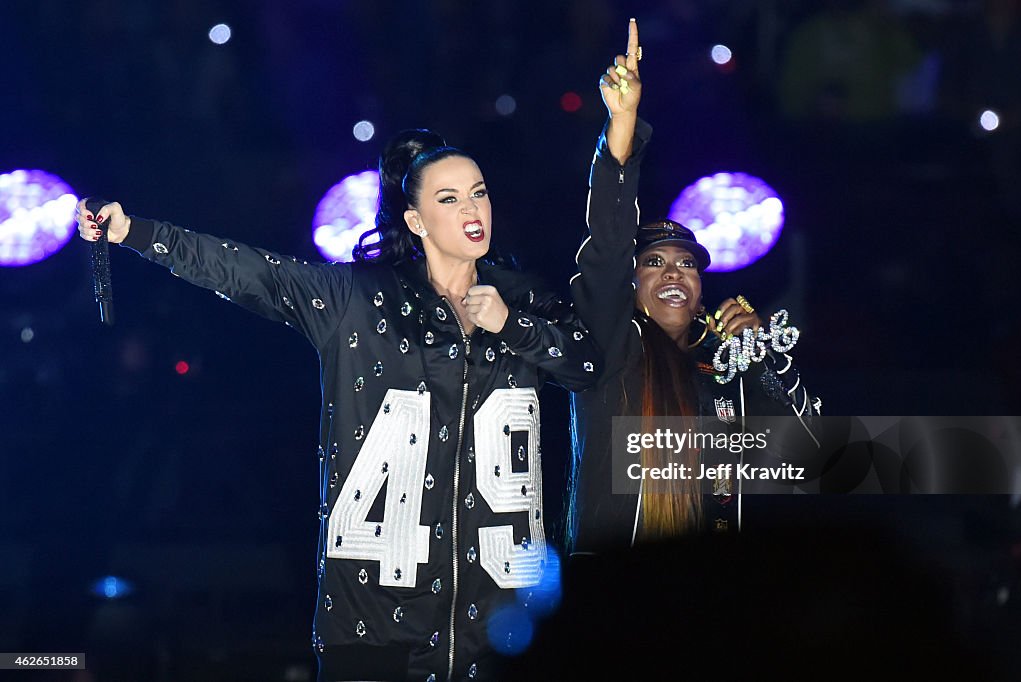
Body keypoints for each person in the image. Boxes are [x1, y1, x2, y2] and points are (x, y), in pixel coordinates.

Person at [77, 129, 600, 681]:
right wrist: (134, 231)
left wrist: (510, 325)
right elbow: (250, 271)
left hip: (503, 627)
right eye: (449, 199)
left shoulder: (522, 301)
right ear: (416, 221)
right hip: (374, 624)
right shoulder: (353, 299)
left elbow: (590, 366)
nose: (472, 209)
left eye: (479, 192)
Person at [565, 19, 821, 553]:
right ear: (630, 285)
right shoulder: (609, 349)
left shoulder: (726, 368)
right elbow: (608, 244)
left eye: (686, 264)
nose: (672, 273)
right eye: (653, 262)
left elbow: (810, 456)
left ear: (702, 288)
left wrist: (765, 361)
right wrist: (624, 123)